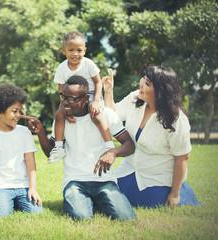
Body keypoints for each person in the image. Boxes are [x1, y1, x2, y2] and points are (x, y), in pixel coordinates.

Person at [23, 76, 136, 221]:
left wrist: (114, 152)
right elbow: (51, 152)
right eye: (63, 97)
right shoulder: (61, 119)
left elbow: (129, 145)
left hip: (105, 181)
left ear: (85, 99)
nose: (64, 103)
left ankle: (99, 199)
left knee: (126, 218)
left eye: (71, 99)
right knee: (81, 217)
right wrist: (41, 132)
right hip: (75, 181)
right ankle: (87, 201)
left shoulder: (106, 114)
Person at [103, 66, 202, 208]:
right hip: (129, 170)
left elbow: (182, 158)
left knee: (151, 203)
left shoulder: (176, 120)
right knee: (106, 196)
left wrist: (174, 194)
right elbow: (112, 115)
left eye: (147, 83)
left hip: (157, 178)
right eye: (143, 78)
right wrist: (108, 91)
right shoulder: (135, 98)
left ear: (161, 91)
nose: (141, 83)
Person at [0, 83, 43, 217]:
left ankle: (15, 201)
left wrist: (32, 188)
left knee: (37, 213)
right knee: (0, 215)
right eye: (14, 111)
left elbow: (30, 162)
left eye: (19, 111)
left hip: (23, 186)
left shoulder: (24, 132)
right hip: (0, 187)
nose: (18, 115)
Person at [48, 31, 113, 163]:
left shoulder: (88, 64)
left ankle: (109, 146)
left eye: (79, 50)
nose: (75, 53)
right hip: (70, 98)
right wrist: (65, 108)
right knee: (59, 115)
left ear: (84, 50)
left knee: (96, 114)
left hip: (90, 94)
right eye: (70, 50)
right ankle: (59, 147)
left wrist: (95, 101)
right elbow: (61, 91)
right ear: (63, 50)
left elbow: (98, 82)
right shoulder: (61, 68)